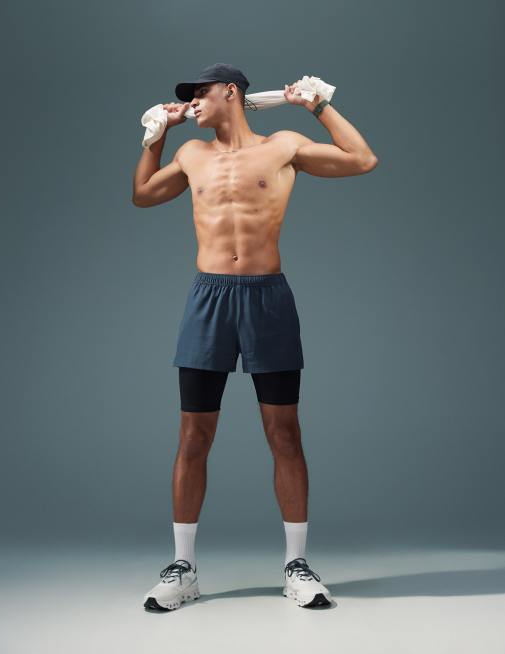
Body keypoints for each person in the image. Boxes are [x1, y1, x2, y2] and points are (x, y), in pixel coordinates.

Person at [132, 63, 378, 611]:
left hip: (267, 299)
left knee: (284, 433)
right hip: (208, 300)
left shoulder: (282, 145)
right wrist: (156, 136)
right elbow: (143, 195)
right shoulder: (191, 154)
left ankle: (297, 565)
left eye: (201, 93)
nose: (194, 103)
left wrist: (318, 107)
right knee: (193, 437)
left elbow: (362, 159)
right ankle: (183, 568)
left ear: (231, 92)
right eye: (189, 97)